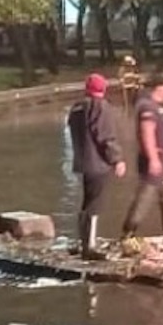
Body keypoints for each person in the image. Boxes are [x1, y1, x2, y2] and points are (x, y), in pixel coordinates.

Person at [66, 73, 125, 260]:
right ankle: (89, 247)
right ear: (103, 88)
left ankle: (82, 241)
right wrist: (117, 159)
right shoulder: (100, 107)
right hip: (98, 162)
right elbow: (105, 135)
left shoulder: (76, 107)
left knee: (87, 201)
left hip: (82, 160)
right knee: (95, 203)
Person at [121, 74, 163, 253]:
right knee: (145, 197)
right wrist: (153, 158)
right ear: (160, 87)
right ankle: (128, 234)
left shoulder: (159, 107)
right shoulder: (146, 106)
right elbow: (147, 132)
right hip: (154, 159)